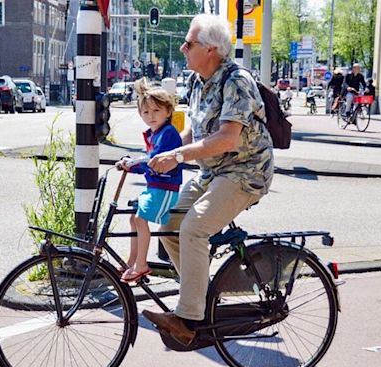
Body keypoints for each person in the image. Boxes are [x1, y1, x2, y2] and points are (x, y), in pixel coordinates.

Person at [142, 14, 274, 346]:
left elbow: (228, 138)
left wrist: (178, 156)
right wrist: (161, 151)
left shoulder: (237, 81)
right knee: (169, 222)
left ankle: (188, 317)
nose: (183, 48)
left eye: (189, 43)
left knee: (194, 228)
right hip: (212, 172)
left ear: (211, 49)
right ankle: (200, 297)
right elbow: (195, 132)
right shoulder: (196, 81)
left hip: (245, 172)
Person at [115, 78, 183, 283]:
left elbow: (155, 162)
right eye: (146, 112)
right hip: (155, 186)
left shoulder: (168, 134)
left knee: (139, 219)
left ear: (168, 111)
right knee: (133, 219)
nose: (151, 116)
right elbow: (148, 163)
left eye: (156, 111)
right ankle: (132, 260)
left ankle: (141, 264)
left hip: (165, 188)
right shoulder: (155, 134)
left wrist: (133, 164)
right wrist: (132, 165)